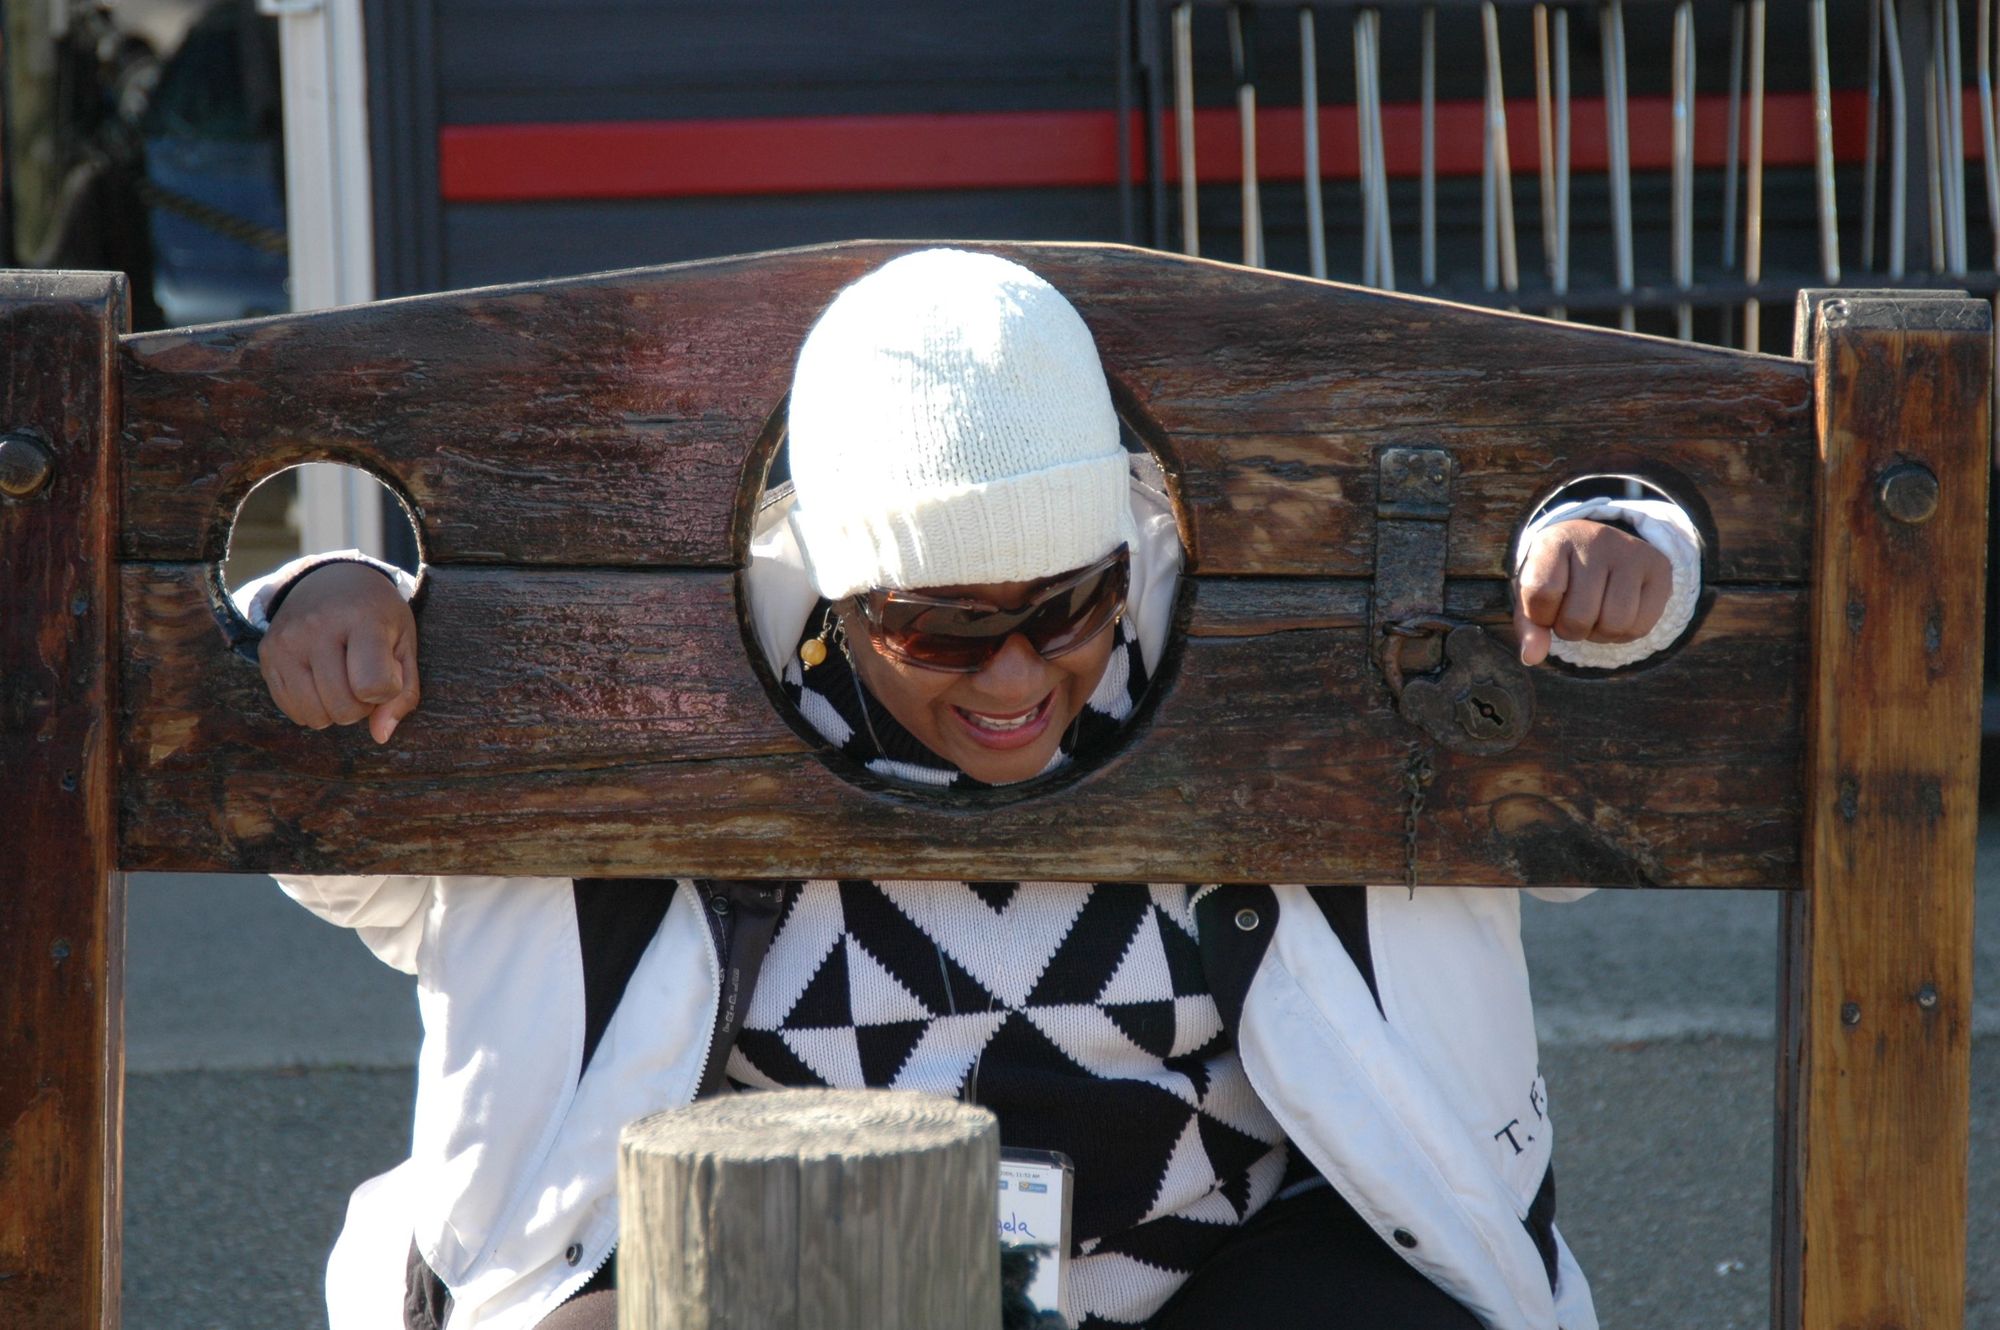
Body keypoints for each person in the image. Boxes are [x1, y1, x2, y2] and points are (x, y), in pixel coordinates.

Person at [242, 249, 1700, 1330]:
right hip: (807, 1269)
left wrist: (1627, 561)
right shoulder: (648, 681)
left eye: (1067, 607)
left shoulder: (1272, 643)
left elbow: (1577, 774)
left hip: (1229, 1271)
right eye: (937, 628)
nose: (1013, 677)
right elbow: (363, 861)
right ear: (841, 589)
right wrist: (320, 604)